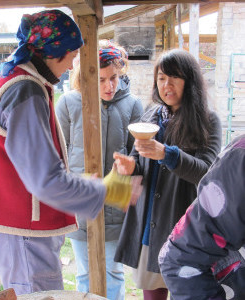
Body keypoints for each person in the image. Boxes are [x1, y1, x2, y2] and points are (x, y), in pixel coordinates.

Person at [0, 10, 142, 296]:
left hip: (18, 228)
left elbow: (26, 165)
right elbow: (46, 179)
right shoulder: (25, 90)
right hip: (22, 230)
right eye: (72, 55)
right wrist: (108, 190)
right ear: (55, 53)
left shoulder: (23, 81)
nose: (72, 65)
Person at [112, 49, 222, 300]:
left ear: (190, 81)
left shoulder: (208, 120)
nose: (166, 84)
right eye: (161, 78)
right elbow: (139, 162)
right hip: (150, 227)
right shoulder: (151, 116)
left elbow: (207, 172)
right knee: (152, 295)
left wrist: (168, 154)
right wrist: (130, 168)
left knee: (187, 293)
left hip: (186, 230)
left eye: (174, 77)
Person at [56, 39, 144, 300]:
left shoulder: (133, 106)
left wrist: (131, 163)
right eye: (102, 79)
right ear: (86, 76)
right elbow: (60, 152)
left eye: (114, 78)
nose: (109, 86)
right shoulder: (68, 103)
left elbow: (138, 152)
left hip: (116, 204)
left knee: (114, 272)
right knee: (84, 273)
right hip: (81, 201)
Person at [159, 134, 245, 300]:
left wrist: (171, 156)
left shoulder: (209, 121)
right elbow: (180, 258)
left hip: (199, 202)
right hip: (192, 214)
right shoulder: (154, 117)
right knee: (149, 280)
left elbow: (203, 167)